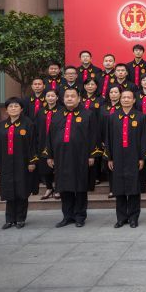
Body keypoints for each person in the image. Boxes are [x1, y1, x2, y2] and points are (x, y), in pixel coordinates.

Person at [45, 88, 101, 228]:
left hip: (81, 156)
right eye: (67, 96)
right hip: (61, 157)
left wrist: (92, 155)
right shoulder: (57, 115)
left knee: (80, 187)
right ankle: (67, 216)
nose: (69, 98)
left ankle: (80, 216)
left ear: (79, 98)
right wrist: (50, 155)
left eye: (72, 96)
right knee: (64, 187)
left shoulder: (88, 114)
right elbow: (50, 136)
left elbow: (94, 136)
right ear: (63, 99)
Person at [105, 90, 146, 228]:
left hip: (134, 157)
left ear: (134, 100)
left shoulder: (141, 117)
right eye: (123, 97)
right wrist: (109, 157)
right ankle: (121, 218)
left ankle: (133, 217)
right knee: (119, 188)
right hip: (117, 156)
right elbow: (108, 138)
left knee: (134, 188)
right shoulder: (112, 117)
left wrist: (142, 157)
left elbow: (144, 138)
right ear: (120, 99)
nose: (126, 99)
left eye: (129, 97)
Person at [0, 97, 38, 229]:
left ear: (21, 109)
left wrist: (32, 161)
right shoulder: (0, 126)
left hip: (22, 162)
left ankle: (20, 218)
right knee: (8, 189)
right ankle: (9, 219)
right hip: (5, 163)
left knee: (22, 190)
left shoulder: (28, 124)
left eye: (16, 106)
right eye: (10, 106)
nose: (13, 108)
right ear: (6, 110)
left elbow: (33, 144)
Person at [34, 89, 60, 200]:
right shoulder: (40, 112)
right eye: (48, 96)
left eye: (53, 96)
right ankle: (49, 187)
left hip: (57, 141)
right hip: (43, 142)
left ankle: (58, 188)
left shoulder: (61, 111)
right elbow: (36, 128)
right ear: (45, 98)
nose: (50, 98)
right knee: (45, 166)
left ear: (57, 98)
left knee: (58, 165)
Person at [100, 85, 122, 199]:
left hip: (120, 140)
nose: (113, 94)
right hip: (106, 140)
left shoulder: (123, 107)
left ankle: (121, 188)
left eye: (116, 92)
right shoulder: (103, 108)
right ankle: (112, 189)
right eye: (111, 92)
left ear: (120, 94)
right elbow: (99, 124)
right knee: (110, 164)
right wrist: (102, 139)